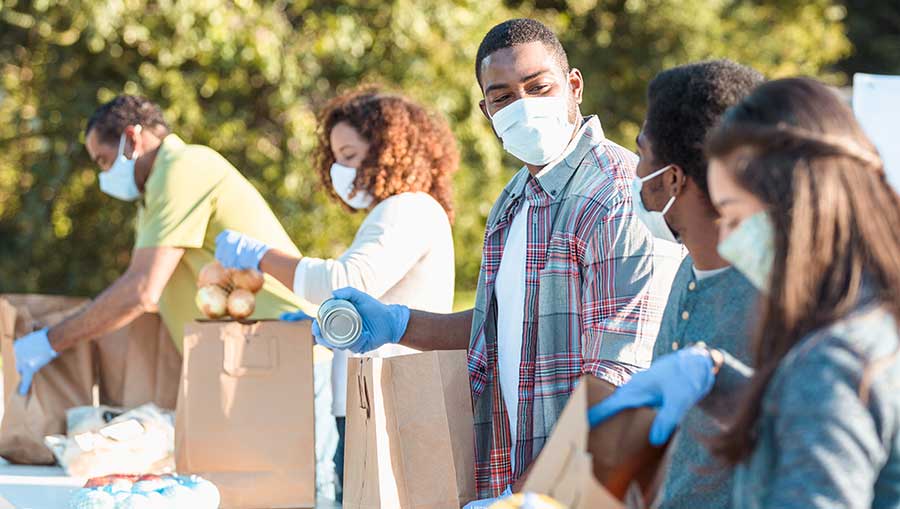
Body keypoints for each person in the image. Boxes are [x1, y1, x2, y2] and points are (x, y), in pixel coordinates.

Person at [306, 18, 679, 498]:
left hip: (589, 489)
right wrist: (400, 324)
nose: (522, 106)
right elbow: (496, 328)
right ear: (486, 110)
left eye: (537, 87)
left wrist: (526, 496)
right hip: (513, 472)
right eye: (503, 97)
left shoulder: (617, 196)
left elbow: (619, 380)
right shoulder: (514, 202)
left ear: (574, 86)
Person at [590, 77, 900, 507]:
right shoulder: (864, 315)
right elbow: (806, 421)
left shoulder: (834, 358)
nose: (729, 239)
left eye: (733, 216)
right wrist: (718, 379)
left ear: (793, 203)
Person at [10, 95, 337, 497]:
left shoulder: (182, 168)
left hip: (284, 352)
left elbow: (141, 290)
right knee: (256, 495)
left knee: (307, 493)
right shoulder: (153, 194)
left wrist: (49, 341)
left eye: (104, 160)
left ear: (133, 137)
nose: (104, 175)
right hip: (243, 360)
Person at [214, 88, 458, 500]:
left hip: (391, 402)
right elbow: (369, 301)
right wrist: (324, 326)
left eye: (348, 155)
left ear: (386, 149)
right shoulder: (396, 212)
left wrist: (260, 256)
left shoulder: (408, 209)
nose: (340, 170)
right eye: (336, 159)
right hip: (370, 401)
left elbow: (347, 280)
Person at [630, 60, 763, 508]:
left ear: (672, 178)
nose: (633, 173)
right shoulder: (688, 272)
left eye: (641, 153)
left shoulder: (775, 300)